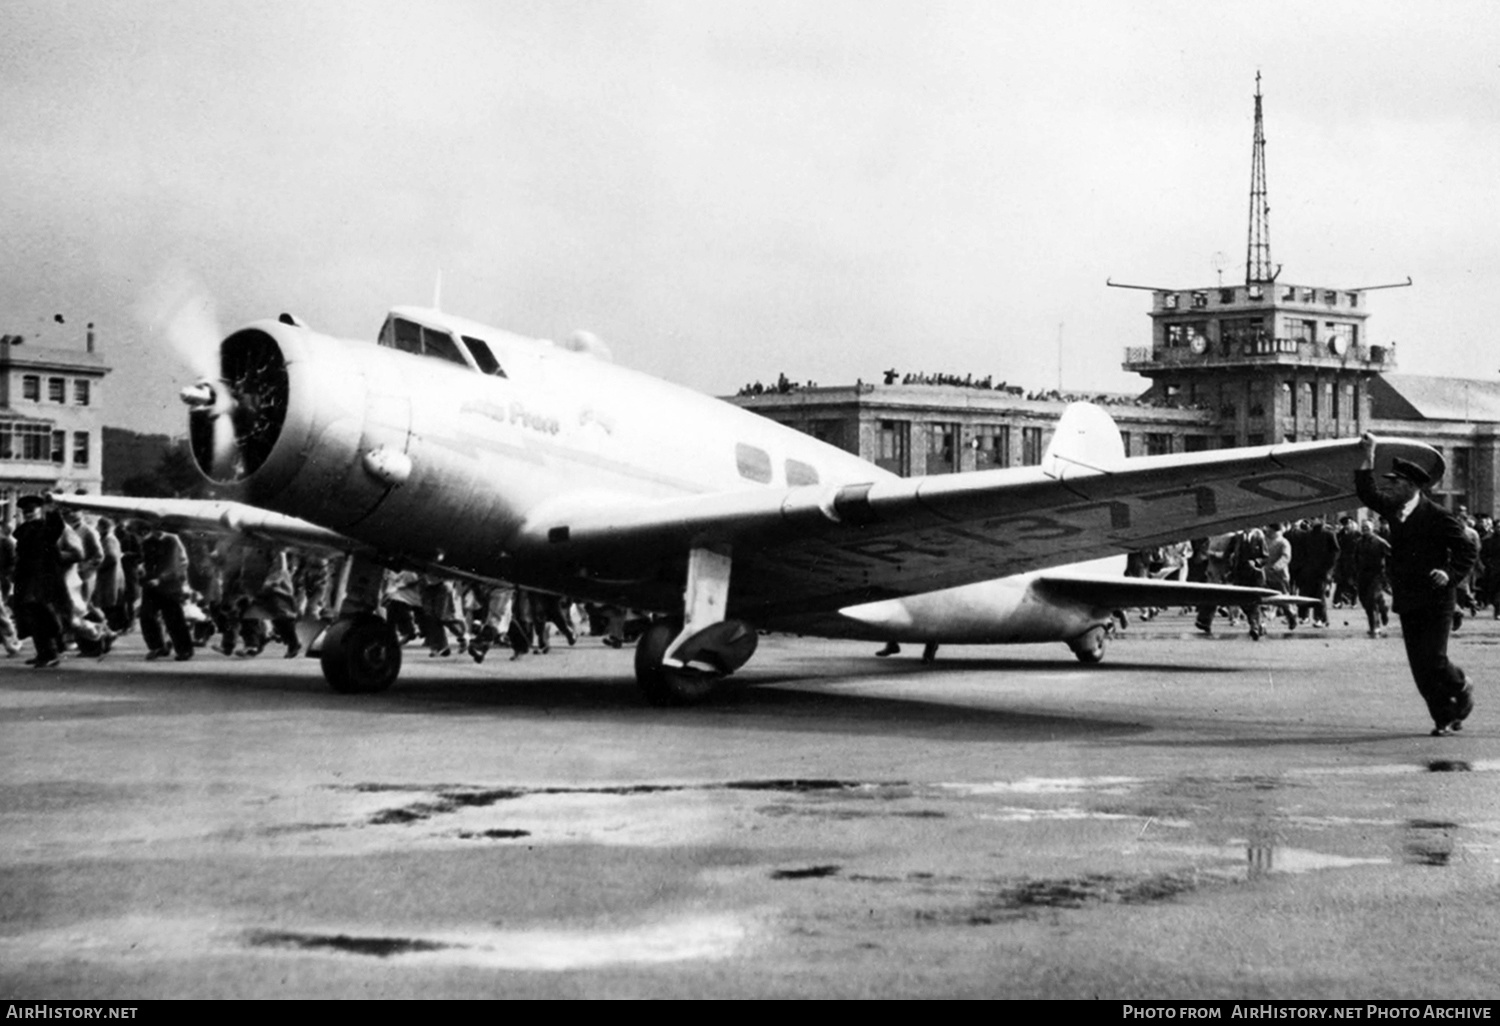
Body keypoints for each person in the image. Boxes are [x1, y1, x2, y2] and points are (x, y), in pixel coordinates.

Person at [1355, 433, 1478, 736]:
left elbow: (1468, 550)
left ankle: (1461, 684)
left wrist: (1450, 573)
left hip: (1437, 599)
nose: (1390, 488)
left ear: (1410, 487)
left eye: (1395, 483)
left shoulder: (1438, 516)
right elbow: (1368, 494)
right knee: (1420, 668)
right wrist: (1368, 454)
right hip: (1409, 598)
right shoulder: (1396, 511)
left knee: (1435, 660)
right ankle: (1444, 717)